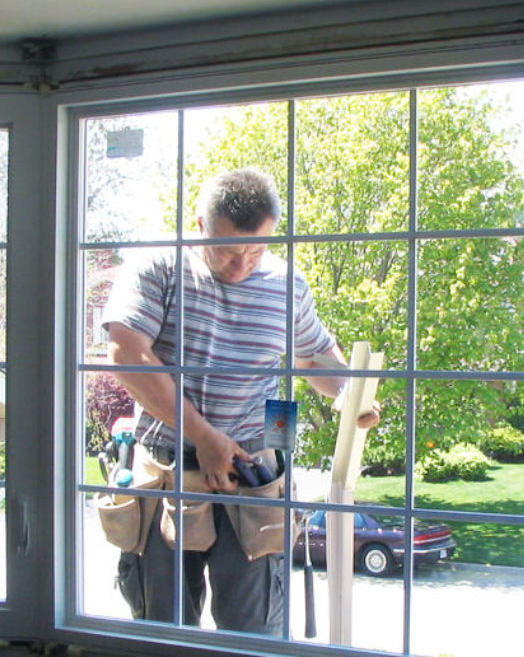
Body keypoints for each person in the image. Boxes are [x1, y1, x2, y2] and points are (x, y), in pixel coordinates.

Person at [102, 167, 380, 635]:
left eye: (257, 248)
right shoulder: (159, 268)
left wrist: (351, 396)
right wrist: (204, 436)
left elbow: (314, 358)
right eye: (229, 250)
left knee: (253, 636)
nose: (243, 265)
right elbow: (126, 355)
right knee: (162, 635)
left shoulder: (287, 284)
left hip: (253, 477)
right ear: (199, 227)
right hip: (169, 471)